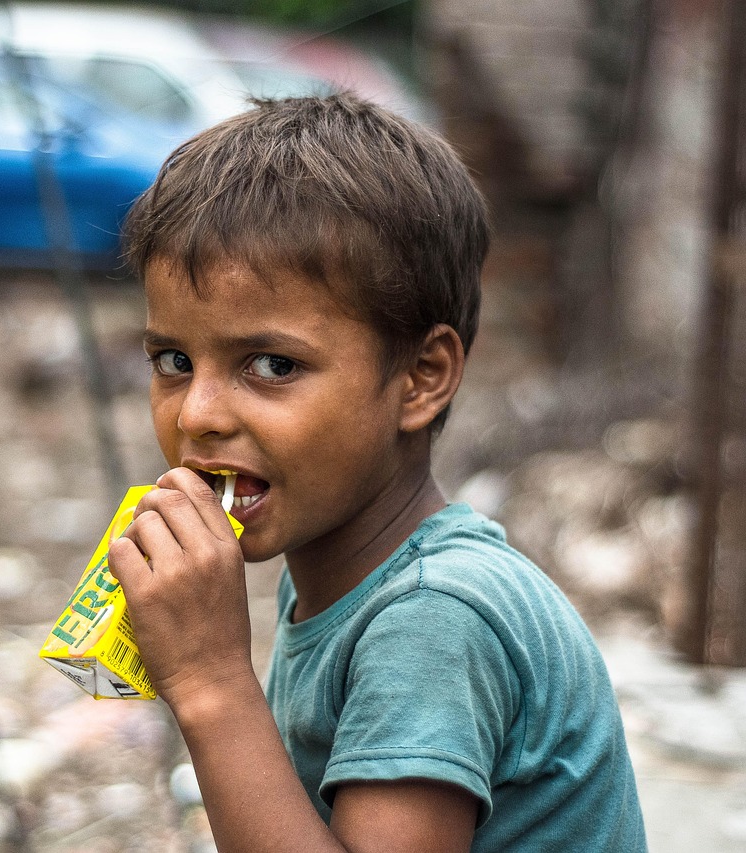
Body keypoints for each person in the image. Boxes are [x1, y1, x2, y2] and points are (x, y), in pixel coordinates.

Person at [106, 92, 647, 852]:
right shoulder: (338, 571)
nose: (197, 412)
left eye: (271, 364)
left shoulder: (434, 618)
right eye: (173, 360)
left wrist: (209, 681)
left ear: (422, 377)